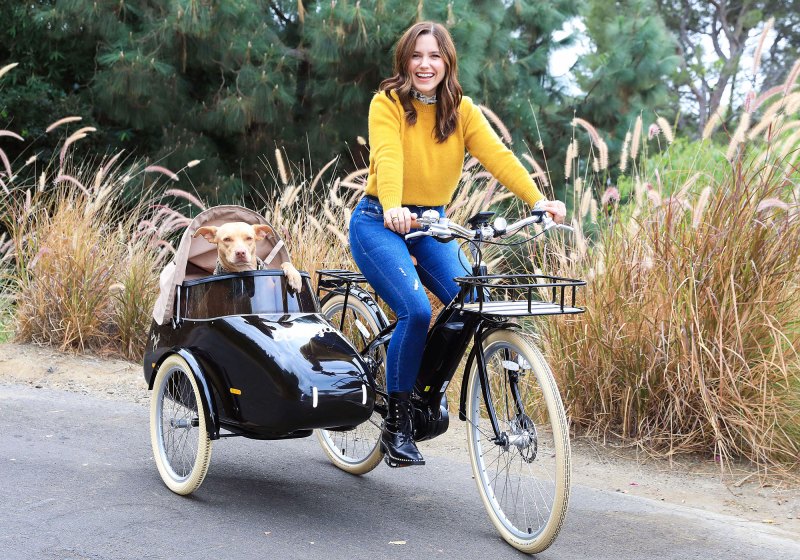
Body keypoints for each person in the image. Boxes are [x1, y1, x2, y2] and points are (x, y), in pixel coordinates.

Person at [348, 21, 566, 467]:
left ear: (448, 62)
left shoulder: (461, 110)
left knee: (475, 301)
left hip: (433, 223)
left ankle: (426, 390)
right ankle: (398, 421)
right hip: (379, 220)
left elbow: (498, 156)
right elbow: (387, 156)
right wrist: (392, 205)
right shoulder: (386, 103)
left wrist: (538, 199)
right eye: (417, 56)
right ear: (404, 61)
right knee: (417, 310)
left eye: (435, 56)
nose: (425, 65)